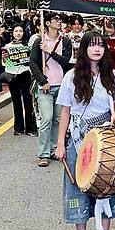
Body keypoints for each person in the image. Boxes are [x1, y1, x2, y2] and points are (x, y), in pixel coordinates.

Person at [55, 31, 115, 230]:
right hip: (78, 140)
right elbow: (65, 111)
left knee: (106, 187)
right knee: (77, 189)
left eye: (101, 45)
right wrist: (60, 144)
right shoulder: (71, 76)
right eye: (92, 45)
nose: (97, 49)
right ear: (84, 48)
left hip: (106, 140)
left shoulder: (114, 76)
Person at [30, 12, 73, 166]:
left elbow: (66, 61)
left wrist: (50, 52)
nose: (59, 22)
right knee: (46, 119)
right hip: (46, 86)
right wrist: (43, 81)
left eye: (59, 20)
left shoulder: (66, 41)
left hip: (62, 86)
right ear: (47, 23)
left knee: (58, 119)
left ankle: (55, 149)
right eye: (55, 20)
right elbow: (33, 63)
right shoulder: (39, 41)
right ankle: (43, 153)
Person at [3, 25, 37, 136]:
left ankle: (31, 128)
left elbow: (32, 61)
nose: (18, 33)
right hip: (12, 76)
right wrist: (5, 58)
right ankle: (18, 128)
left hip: (25, 74)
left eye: (21, 31)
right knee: (16, 102)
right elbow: (4, 63)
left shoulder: (28, 46)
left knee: (28, 101)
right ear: (12, 33)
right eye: (16, 31)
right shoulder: (7, 47)